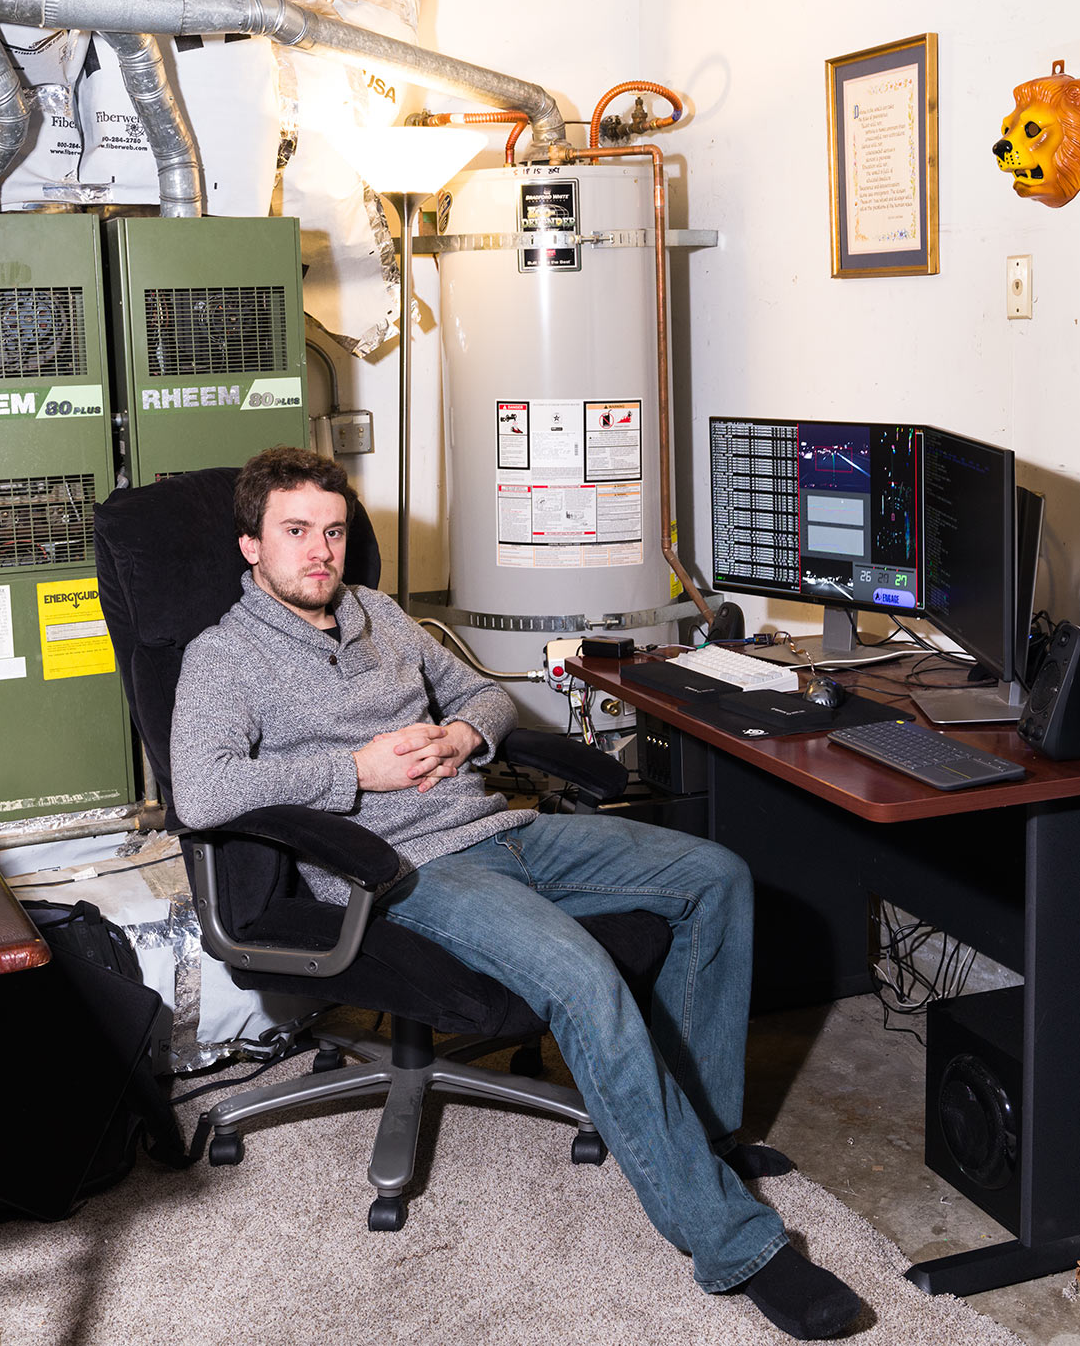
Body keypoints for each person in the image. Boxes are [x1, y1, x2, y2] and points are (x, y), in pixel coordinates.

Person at [170, 446, 863, 1340]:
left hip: (505, 829)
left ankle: (703, 1140)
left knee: (713, 876)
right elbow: (202, 789)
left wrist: (462, 734)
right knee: (581, 977)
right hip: (406, 869)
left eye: (334, 532)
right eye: (296, 532)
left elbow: (489, 698)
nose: (320, 552)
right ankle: (737, 1247)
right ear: (251, 547)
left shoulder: (380, 613)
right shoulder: (222, 657)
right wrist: (355, 767)